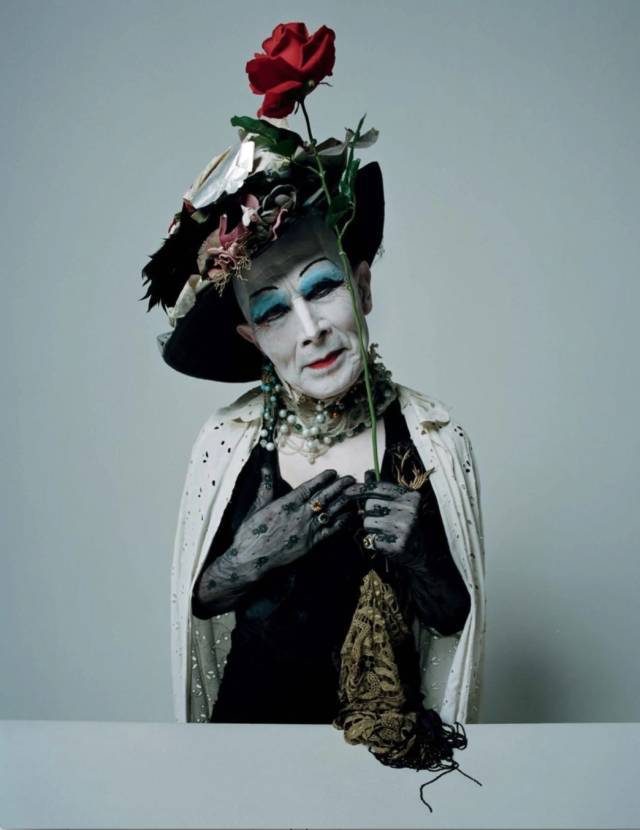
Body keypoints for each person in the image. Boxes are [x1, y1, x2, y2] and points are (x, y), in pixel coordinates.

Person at [141, 113, 486, 772]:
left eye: (322, 287)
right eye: (273, 310)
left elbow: (454, 619)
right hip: (248, 753)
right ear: (252, 339)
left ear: (362, 285)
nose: (310, 330)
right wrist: (247, 560)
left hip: (386, 756)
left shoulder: (434, 438)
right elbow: (197, 603)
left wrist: (422, 556)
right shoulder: (229, 442)